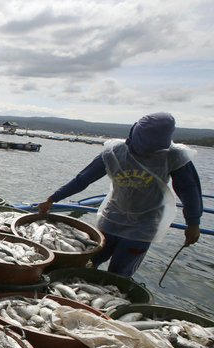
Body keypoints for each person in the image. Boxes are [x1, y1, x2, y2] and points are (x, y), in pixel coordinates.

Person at [37, 112, 202, 278]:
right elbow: (83, 179)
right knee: (85, 265)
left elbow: (189, 189)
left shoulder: (173, 155)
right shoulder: (115, 152)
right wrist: (52, 199)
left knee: (119, 275)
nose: (148, 150)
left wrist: (193, 223)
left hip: (143, 228)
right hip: (110, 221)